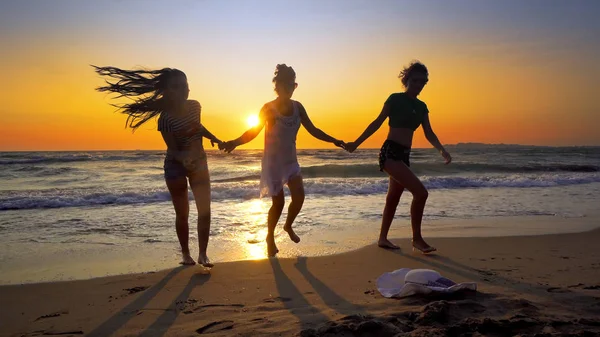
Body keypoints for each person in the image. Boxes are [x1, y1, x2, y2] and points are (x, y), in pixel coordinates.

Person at [93, 66, 222, 267]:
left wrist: (213, 137)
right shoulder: (165, 119)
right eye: (177, 87)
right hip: (175, 166)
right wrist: (184, 159)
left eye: (185, 86)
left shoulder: (195, 106)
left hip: (200, 163)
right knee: (183, 213)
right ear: (167, 91)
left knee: (205, 211)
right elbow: (173, 149)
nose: (183, 90)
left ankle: (203, 254)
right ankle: (186, 255)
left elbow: (197, 127)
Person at [221, 64, 346, 257]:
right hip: (273, 164)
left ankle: (288, 225)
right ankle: (270, 237)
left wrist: (334, 140)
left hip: (290, 162)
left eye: (292, 85)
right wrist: (235, 142)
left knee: (299, 197)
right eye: (285, 85)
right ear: (277, 86)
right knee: (278, 204)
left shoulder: (298, 107)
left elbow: (313, 129)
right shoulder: (268, 108)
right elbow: (253, 131)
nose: (288, 88)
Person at [345, 61, 451, 253]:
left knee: (393, 198)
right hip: (390, 153)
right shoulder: (395, 99)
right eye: (416, 80)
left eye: (423, 82)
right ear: (407, 80)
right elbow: (377, 122)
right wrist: (356, 143)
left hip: (404, 156)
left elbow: (429, 132)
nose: (419, 85)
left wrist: (441, 150)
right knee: (421, 193)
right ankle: (417, 239)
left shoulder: (421, 107)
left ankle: (383, 239)